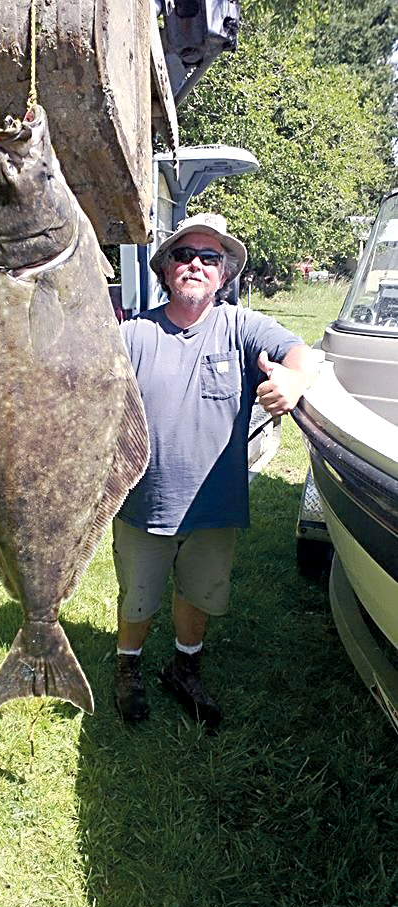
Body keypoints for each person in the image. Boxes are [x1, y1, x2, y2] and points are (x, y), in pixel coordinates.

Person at [113, 212, 318, 728]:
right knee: (137, 598)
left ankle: (185, 667)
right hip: (143, 503)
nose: (197, 265)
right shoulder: (133, 334)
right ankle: (128, 668)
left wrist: (293, 382)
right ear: (166, 269)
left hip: (214, 505)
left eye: (210, 258)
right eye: (185, 255)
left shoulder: (242, 328)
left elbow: (300, 353)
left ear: (224, 276)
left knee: (198, 593)